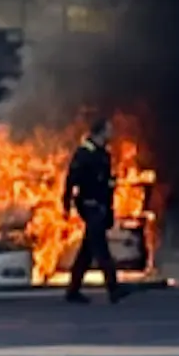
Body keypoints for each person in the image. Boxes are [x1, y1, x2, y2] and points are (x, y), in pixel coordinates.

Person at [63, 117, 125, 306]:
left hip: (101, 206)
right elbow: (71, 179)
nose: (112, 134)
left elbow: (107, 185)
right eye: (109, 130)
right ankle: (114, 288)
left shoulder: (103, 155)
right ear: (100, 132)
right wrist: (66, 201)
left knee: (88, 250)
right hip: (89, 205)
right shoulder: (84, 153)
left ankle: (73, 290)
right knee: (100, 248)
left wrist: (110, 209)